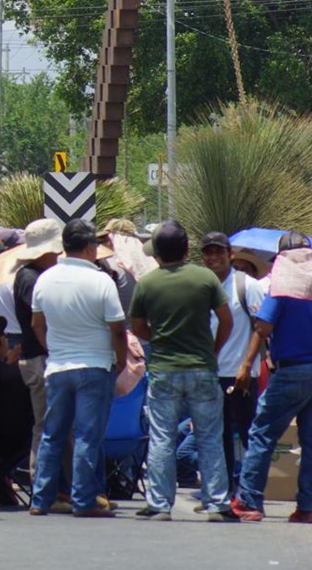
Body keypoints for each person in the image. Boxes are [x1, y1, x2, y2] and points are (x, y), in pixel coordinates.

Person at [129, 221, 236, 521]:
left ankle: (160, 504)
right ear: (188, 249)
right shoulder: (205, 279)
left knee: (162, 437)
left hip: (164, 369)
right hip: (202, 368)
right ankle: (217, 503)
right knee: (210, 437)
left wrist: (161, 337)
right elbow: (226, 320)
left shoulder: (147, 284)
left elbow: (137, 327)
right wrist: (212, 350)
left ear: (157, 253)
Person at [27, 220, 128, 518]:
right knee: (86, 436)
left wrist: (53, 349)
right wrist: (120, 360)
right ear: (88, 247)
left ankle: (40, 499)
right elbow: (118, 329)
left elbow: (37, 324)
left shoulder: (45, 279)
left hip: (58, 366)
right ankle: (84, 500)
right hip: (95, 366)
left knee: (52, 435)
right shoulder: (101, 282)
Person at [232, 232, 312, 522]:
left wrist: (246, 364)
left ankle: (249, 501)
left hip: (290, 370)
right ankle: (307, 507)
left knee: (262, 434)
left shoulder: (282, 289)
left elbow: (263, 328)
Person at [199, 231, 265, 491]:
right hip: (210, 373)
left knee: (249, 433)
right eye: (209, 252)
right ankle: (222, 493)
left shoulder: (248, 286)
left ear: (230, 254)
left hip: (240, 373)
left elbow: (261, 329)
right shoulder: (202, 285)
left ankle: (253, 492)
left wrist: (247, 365)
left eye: (219, 251)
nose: (214, 257)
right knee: (218, 435)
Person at [14, 219, 64, 482]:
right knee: (45, 424)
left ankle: (54, 484)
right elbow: (42, 319)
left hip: (42, 356)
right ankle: (42, 482)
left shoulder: (35, 276)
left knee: (54, 424)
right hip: (38, 358)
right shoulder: (29, 278)